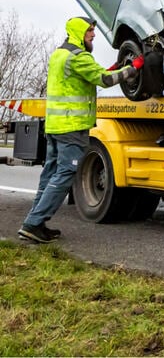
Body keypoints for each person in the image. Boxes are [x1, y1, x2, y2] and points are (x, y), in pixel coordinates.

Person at [17, 16, 143, 244]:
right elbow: (104, 80)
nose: (93, 35)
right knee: (65, 174)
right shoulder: (78, 57)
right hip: (71, 128)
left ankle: (36, 223)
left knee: (50, 174)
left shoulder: (60, 54)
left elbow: (91, 76)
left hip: (56, 125)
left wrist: (116, 67)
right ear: (78, 33)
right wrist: (131, 69)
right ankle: (33, 223)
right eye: (89, 32)